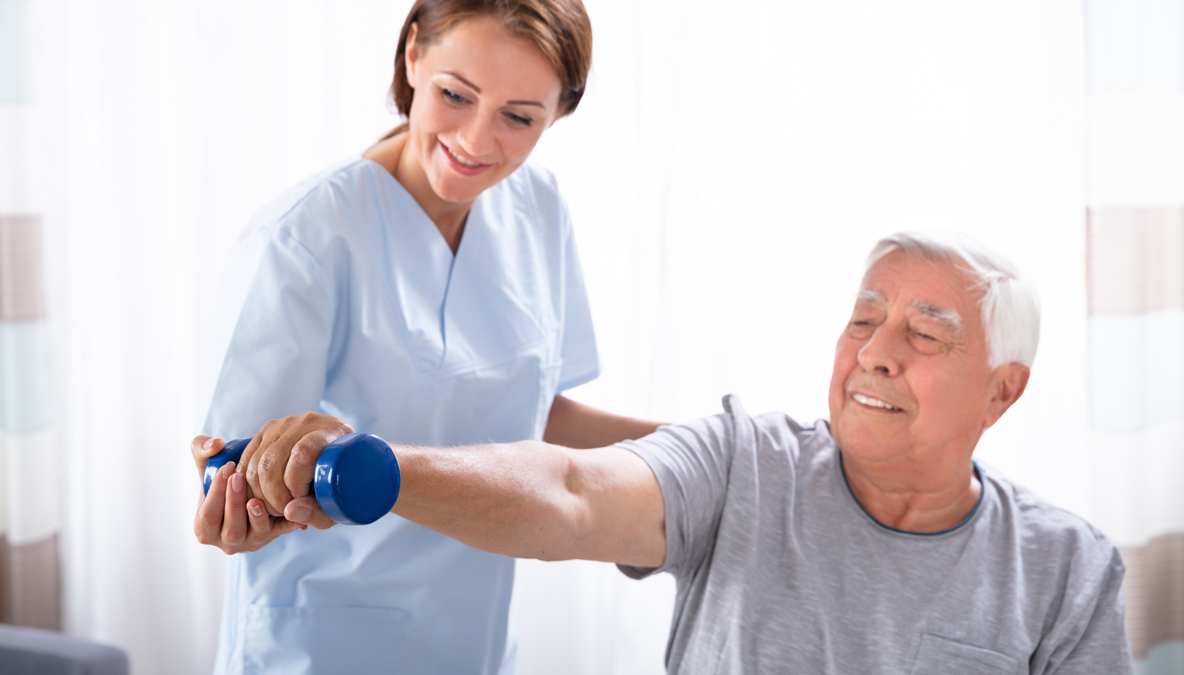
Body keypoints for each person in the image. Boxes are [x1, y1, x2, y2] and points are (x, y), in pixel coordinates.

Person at [227, 232, 1135, 673]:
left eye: (924, 335)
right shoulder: (744, 461)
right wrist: (381, 470)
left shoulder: (1064, 568)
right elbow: (574, 491)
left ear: (1002, 390)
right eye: (863, 318)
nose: (875, 352)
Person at [191, 1, 661, 673]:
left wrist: (711, 451)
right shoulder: (303, 238)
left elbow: (528, 413)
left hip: (473, 635)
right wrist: (239, 506)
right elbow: (235, 477)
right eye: (455, 95)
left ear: (560, 111)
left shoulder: (540, 210)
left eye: (518, 116)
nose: (475, 139)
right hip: (322, 643)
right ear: (413, 55)